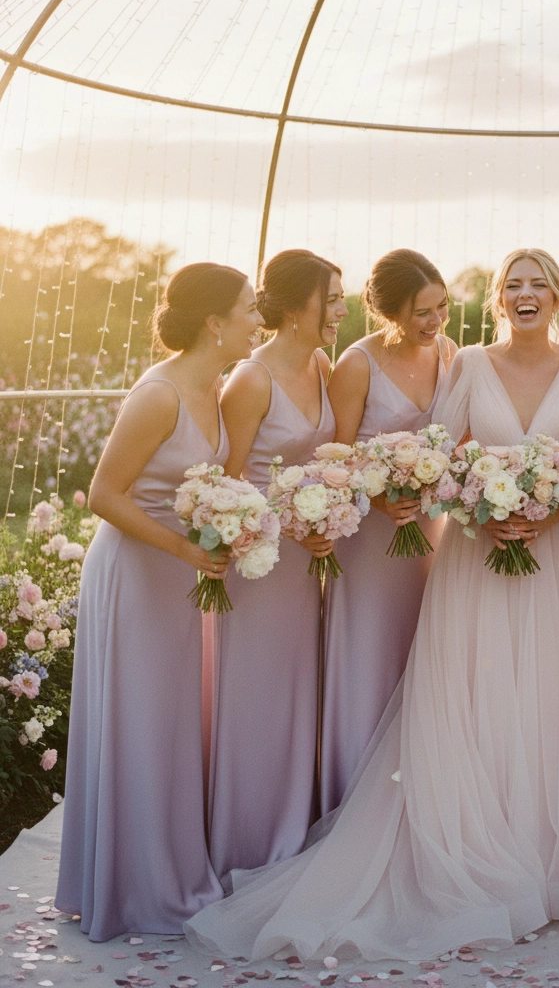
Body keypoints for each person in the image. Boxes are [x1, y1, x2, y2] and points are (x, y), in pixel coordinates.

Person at [184, 248, 559, 963]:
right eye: (513, 285)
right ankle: (476, 846)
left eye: (539, 284)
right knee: (479, 693)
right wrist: (488, 511)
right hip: (474, 553)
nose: (525, 294)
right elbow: (446, 457)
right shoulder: (466, 363)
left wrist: (547, 515)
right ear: (498, 298)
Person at [56, 263, 262, 940]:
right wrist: (183, 550)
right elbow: (105, 494)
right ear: (215, 321)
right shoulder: (160, 394)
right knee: (139, 723)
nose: (257, 321)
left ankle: (168, 868)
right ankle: (132, 885)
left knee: (170, 726)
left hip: (179, 574)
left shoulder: (218, 385)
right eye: (250, 310)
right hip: (135, 574)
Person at [206, 249, 344, 881]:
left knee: (299, 696)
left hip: (305, 565)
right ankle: (248, 845)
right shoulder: (250, 380)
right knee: (258, 699)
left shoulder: (320, 363)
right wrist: (291, 522)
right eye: (332, 299)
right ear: (296, 308)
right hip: (258, 567)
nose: (342, 310)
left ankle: (295, 835)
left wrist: (326, 515)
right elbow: (225, 489)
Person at [320, 248, 456, 812]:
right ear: (390, 312)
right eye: (422, 312)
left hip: (431, 533)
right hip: (374, 540)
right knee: (371, 655)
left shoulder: (448, 353)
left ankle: (423, 792)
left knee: (426, 655)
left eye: (442, 307)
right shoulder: (357, 363)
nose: (435, 322)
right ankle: (357, 800)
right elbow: (334, 457)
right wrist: (379, 500)